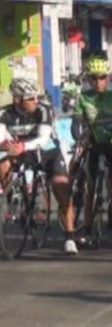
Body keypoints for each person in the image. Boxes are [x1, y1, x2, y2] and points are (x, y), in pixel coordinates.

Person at [0, 78, 78, 255]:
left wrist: (21, 146)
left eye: (37, 97)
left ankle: (70, 237)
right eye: (31, 98)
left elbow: (43, 139)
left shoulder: (44, 109)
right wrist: (5, 145)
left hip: (48, 151)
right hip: (22, 152)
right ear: (17, 100)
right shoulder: (4, 113)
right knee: (3, 164)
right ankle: (10, 198)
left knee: (61, 189)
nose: (36, 101)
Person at [72, 56, 112, 239]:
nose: (98, 82)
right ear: (88, 80)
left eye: (102, 77)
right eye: (94, 78)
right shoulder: (83, 98)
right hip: (94, 146)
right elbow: (76, 124)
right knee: (90, 187)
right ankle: (88, 226)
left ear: (108, 78)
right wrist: (79, 138)